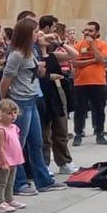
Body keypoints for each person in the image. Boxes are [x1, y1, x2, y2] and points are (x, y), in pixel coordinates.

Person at [0, 18, 67, 196]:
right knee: (17, 145)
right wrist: (5, 103)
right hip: (19, 102)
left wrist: (40, 71)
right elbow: (5, 81)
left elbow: (32, 74)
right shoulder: (16, 54)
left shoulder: (32, 52)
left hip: (31, 99)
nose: (38, 35)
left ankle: (43, 180)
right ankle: (17, 183)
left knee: (36, 143)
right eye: (35, 32)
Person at [39, 25, 79, 174]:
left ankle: (64, 162)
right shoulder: (33, 55)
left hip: (56, 91)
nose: (46, 38)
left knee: (61, 130)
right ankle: (44, 163)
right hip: (43, 93)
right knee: (45, 133)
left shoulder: (53, 55)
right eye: (42, 36)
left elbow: (75, 55)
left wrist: (61, 42)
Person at [71, 21, 107, 146]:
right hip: (80, 82)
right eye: (86, 30)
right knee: (79, 110)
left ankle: (99, 132)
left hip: (98, 82)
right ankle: (78, 133)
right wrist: (93, 60)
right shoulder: (77, 45)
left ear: (97, 33)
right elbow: (75, 63)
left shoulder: (103, 44)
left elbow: (102, 59)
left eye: (90, 31)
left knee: (99, 109)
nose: (87, 33)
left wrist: (92, 45)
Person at [0, 99, 27, 213]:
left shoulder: (14, 128)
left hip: (13, 160)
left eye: (15, 113)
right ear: (0, 114)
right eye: (9, 113)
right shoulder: (1, 131)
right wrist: (3, 162)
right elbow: (0, 149)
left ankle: (9, 199)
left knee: (11, 182)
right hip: (4, 161)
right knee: (2, 183)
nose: (13, 116)